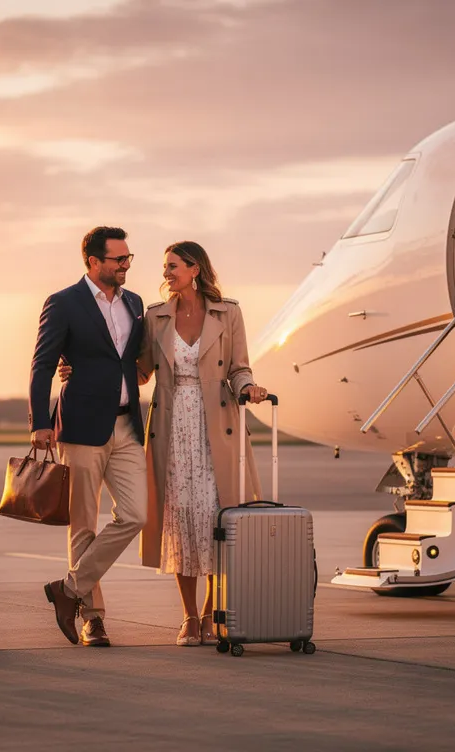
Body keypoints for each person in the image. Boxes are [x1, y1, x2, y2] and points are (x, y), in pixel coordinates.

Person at [60, 241, 269, 647]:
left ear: (194, 269)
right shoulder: (156, 316)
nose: (166, 273)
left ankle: (211, 613)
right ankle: (189, 616)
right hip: (171, 429)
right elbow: (136, 370)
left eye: (173, 266)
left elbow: (239, 367)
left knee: (216, 519)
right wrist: (79, 368)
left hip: (216, 428)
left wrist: (249, 388)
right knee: (181, 521)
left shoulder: (229, 312)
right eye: (165, 267)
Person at [29, 226, 147, 647]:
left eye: (129, 257)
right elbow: (43, 364)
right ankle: (93, 619)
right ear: (94, 262)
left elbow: (132, 361)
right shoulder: (63, 302)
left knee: (136, 514)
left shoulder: (134, 303)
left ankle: (69, 589)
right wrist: (40, 421)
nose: (126, 265)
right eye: (119, 259)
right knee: (83, 525)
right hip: (80, 425)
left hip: (127, 425)